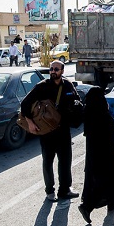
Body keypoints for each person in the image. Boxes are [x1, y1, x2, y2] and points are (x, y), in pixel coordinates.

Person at [20, 60, 81, 202]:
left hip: (63, 131)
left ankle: (65, 189)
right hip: (47, 132)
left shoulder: (67, 85)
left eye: (56, 69)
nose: (53, 71)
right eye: (51, 69)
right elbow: (25, 104)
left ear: (62, 71)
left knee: (65, 161)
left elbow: (77, 100)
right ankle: (49, 191)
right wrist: (30, 123)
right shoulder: (42, 87)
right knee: (48, 161)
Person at [78, 87, 114, 224]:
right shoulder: (104, 117)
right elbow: (110, 143)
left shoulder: (89, 115)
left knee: (105, 183)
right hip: (107, 158)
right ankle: (86, 207)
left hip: (93, 159)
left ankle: (112, 203)